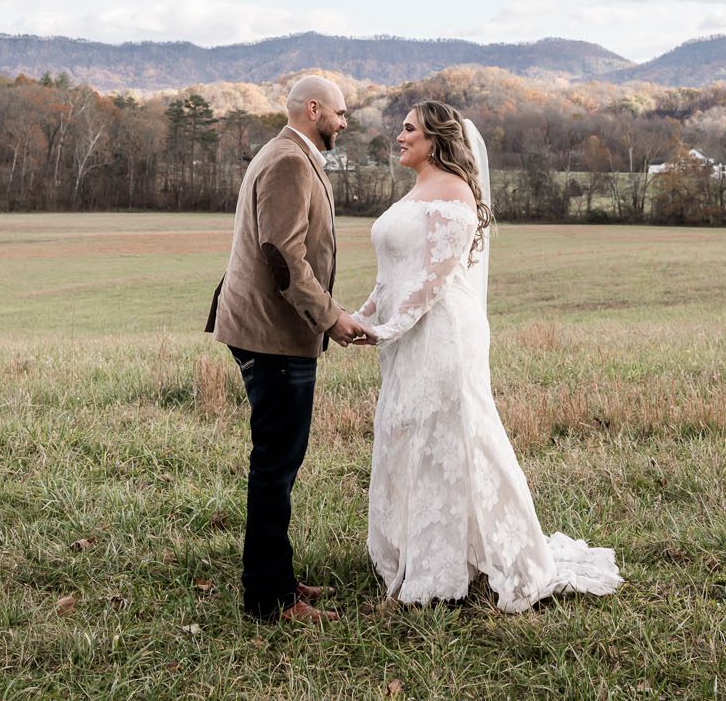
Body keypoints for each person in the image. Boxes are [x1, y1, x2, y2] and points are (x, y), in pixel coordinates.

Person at [354, 100, 620, 611]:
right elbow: (394, 277)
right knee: (406, 430)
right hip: (411, 334)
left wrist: (383, 328)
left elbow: (431, 281)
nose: (399, 136)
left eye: (408, 129)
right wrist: (361, 317)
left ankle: (435, 574)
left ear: (435, 138)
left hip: (443, 333)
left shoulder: (454, 193)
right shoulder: (416, 191)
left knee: (446, 435)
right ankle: (420, 551)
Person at [206, 74, 374, 623]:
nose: (345, 122)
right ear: (314, 109)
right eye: (341, 113)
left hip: (274, 332)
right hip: (272, 336)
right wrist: (331, 318)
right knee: (275, 466)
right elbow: (283, 258)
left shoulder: (291, 154)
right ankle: (269, 600)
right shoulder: (288, 162)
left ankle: (277, 577)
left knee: (279, 461)